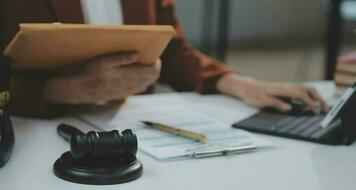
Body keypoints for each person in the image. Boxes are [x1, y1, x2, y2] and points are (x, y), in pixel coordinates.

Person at [0, 0, 328, 118]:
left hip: (131, 133)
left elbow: (170, 50)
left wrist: (241, 84)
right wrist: (67, 90)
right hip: (33, 133)